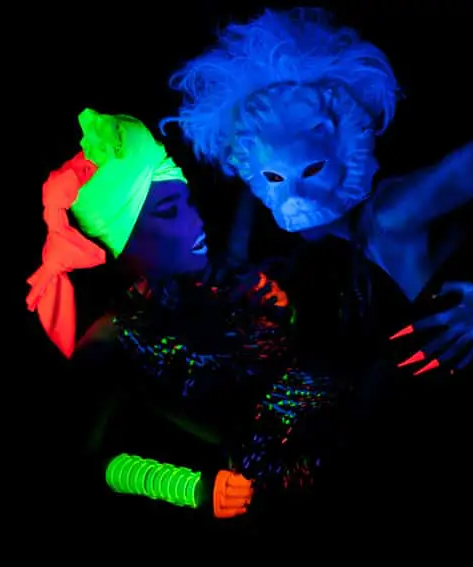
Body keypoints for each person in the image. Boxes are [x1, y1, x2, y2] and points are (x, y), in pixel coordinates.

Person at [163, 7, 473, 375]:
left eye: (311, 170)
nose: (296, 196)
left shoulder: (389, 216)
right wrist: (235, 255)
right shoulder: (337, 243)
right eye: (273, 180)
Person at [27, 109, 342, 521]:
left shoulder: (224, 282)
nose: (194, 221)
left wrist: (284, 313)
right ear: (123, 243)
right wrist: (188, 487)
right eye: (167, 211)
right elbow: (80, 458)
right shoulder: (112, 338)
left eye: (188, 202)